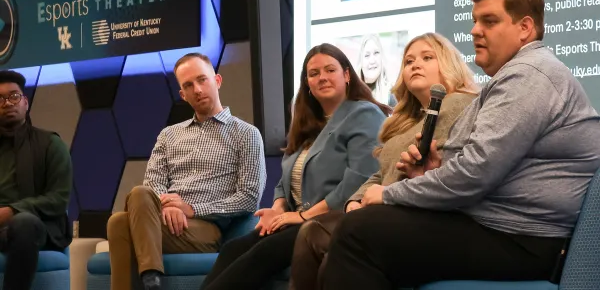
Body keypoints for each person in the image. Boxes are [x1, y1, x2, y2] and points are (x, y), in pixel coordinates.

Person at [321, 0, 600, 289]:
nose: (474, 30)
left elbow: (475, 175)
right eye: (475, 21)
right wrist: (433, 172)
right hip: (501, 228)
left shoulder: (529, 75)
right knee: (359, 243)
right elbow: (488, 168)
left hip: (523, 238)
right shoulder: (517, 75)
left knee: (358, 231)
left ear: (525, 28)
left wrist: (389, 194)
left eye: (489, 21)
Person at [290, 33, 478, 290]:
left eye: (427, 57)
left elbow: (441, 169)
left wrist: (382, 195)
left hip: (424, 215)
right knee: (317, 237)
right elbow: (379, 174)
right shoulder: (404, 121)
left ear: (449, 63)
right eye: (409, 60)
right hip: (383, 211)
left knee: (315, 234)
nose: (415, 65)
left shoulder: (460, 104)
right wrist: (356, 201)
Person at [200, 43, 391, 290]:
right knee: (233, 248)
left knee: (263, 253)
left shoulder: (364, 114)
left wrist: (302, 215)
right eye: (313, 74)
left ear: (346, 74)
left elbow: (357, 182)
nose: (322, 77)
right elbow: (284, 181)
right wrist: (278, 208)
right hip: (297, 219)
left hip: (335, 220)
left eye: (329, 70)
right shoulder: (308, 123)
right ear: (308, 84)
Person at [107, 52, 266, 290]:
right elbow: (153, 183)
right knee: (137, 197)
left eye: (203, 80)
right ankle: (151, 277)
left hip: (206, 228)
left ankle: (151, 278)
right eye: (189, 85)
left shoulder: (246, 134)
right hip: (161, 219)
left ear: (218, 81)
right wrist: (168, 206)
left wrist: (191, 210)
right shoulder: (169, 135)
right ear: (182, 95)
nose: (198, 89)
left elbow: (249, 198)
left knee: (120, 223)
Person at [0, 70, 73, 290]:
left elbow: (58, 199)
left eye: (14, 96)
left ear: (26, 103)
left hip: (40, 227)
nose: (7, 103)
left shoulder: (50, 144)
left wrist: (11, 211)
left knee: (24, 223)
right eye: (0, 99)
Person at [356, 34, 396, 107]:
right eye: (367, 55)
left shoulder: (391, 96)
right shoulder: (350, 95)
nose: (372, 61)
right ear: (360, 61)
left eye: (376, 53)